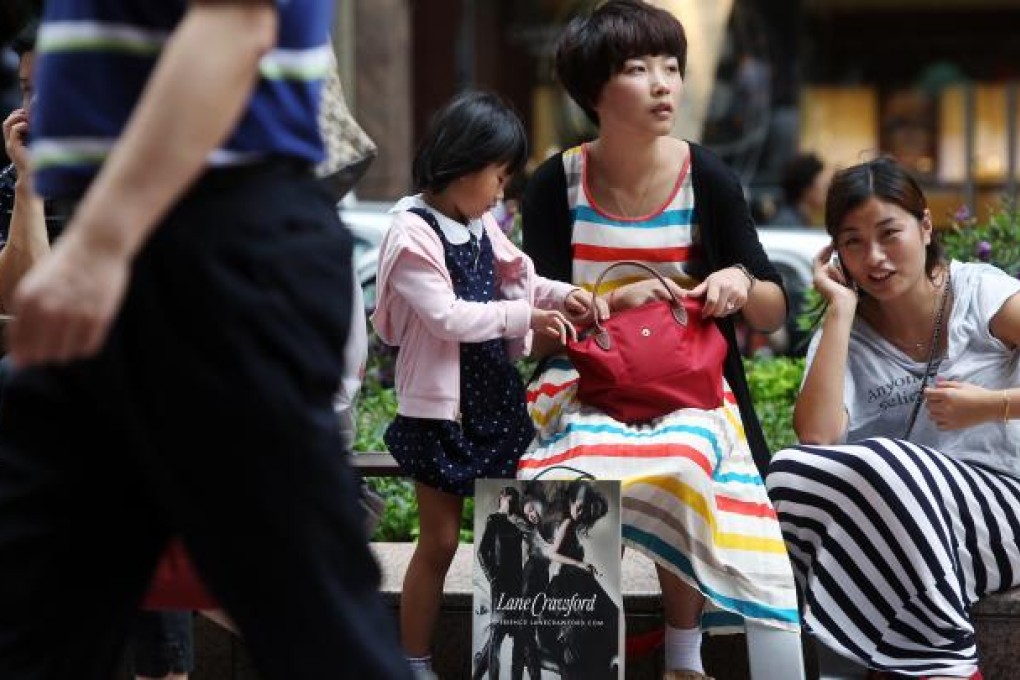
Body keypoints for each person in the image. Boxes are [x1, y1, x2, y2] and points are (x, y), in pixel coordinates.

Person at [0, 1, 410, 678]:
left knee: (316, 623)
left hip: (208, 236)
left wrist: (98, 245)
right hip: (155, 237)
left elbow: (235, 24)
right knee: (30, 606)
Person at [517, 2, 800, 678]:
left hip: (691, 391)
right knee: (560, 481)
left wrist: (734, 279)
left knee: (689, 459)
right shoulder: (554, 186)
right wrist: (614, 302)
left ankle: (684, 655)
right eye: (638, 69)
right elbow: (536, 324)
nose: (664, 83)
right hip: (586, 387)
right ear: (594, 90)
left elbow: (770, 310)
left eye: (672, 66)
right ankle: (567, 660)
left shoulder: (708, 177)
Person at [371, 90, 598, 680]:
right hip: (441, 412)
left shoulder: (476, 222)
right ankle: (414, 662)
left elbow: (518, 272)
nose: (501, 192)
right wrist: (524, 316)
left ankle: (520, 660)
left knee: (519, 538)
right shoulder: (411, 231)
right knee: (441, 543)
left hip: (492, 396)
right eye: (498, 176)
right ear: (464, 164)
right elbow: (446, 316)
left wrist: (561, 294)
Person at [0, 21, 200, 680]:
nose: (34, 108)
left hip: (135, 420)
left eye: (49, 89)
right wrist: (29, 187)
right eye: (27, 90)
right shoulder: (17, 179)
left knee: (158, 645)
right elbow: (23, 297)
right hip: (53, 432)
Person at [767, 157, 1018, 680]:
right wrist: (838, 309)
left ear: (925, 226)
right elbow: (816, 438)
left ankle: (928, 662)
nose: (874, 258)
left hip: (1005, 511)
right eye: (853, 242)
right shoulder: (846, 334)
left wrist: (991, 406)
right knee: (788, 473)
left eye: (889, 234)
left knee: (890, 462)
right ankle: (937, 665)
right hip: (914, 538)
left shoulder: (979, 293)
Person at [475, 486, 525, 680]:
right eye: (507, 498)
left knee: (511, 634)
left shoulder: (519, 524)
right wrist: (492, 577)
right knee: (497, 634)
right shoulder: (494, 520)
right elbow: (482, 552)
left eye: (513, 499)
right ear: (502, 498)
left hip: (518, 584)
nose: (510, 502)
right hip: (500, 585)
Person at [769, 152, 828, 227]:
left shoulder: (800, 219)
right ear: (807, 189)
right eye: (824, 186)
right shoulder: (787, 224)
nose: (828, 191)